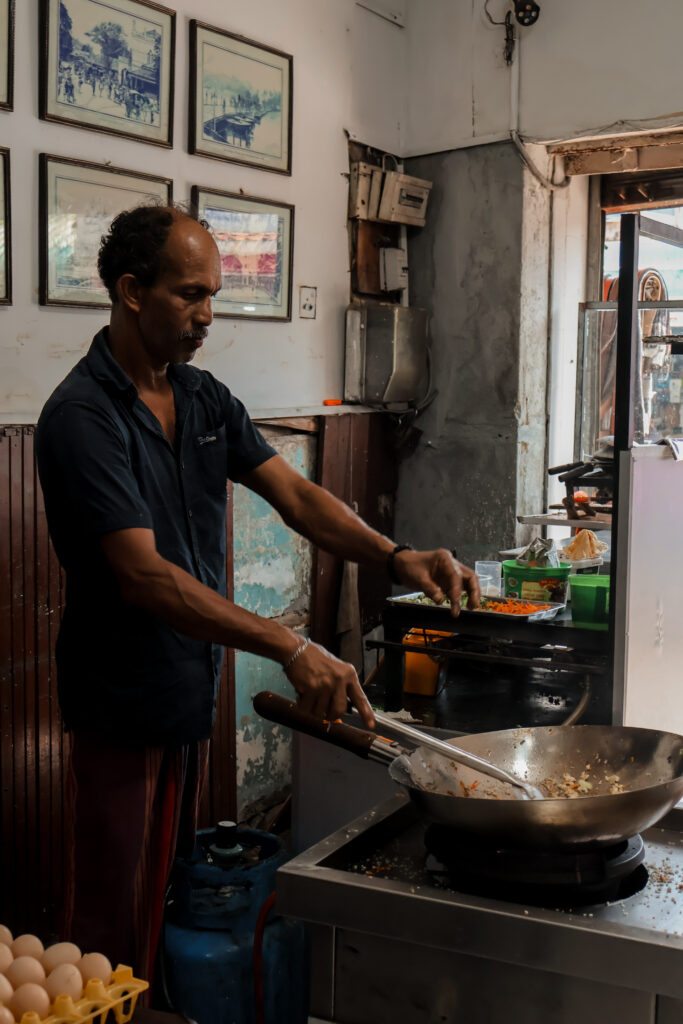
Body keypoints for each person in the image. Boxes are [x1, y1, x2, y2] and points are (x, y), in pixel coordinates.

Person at [35, 204, 479, 991]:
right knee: (104, 932)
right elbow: (142, 575)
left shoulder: (203, 399)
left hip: (187, 690)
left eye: (213, 294)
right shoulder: (83, 417)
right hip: (118, 703)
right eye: (188, 295)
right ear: (132, 291)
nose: (208, 315)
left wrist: (396, 554)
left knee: (163, 904)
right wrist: (290, 645)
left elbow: (299, 500)